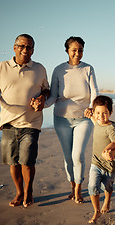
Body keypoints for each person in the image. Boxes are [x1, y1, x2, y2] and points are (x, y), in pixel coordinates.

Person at [0, 34, 50, 208]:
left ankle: (29, 191)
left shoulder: (40, 69)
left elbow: (46, 91)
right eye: (22, 46)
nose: (25, 50)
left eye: (29, 47)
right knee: (13, 162)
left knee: (27, 161)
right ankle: (19, 191)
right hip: (8, 123)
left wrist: (42, 98)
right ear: (14, 48)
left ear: (33, 50)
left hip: (31, 122)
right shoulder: (1, 67)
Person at [45, 36, 98, 203]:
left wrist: (92, 107)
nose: (77, 53)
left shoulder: (88, 69)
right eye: (74, 50)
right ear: (67, 50)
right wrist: (42, 105)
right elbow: (53, 96)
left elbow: (95, 92)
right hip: (61, 119)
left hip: (84, 119)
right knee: (68, 156)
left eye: (80, 50)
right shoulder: (59, 70)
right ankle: (72, 186)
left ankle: (78, 189)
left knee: (77, 155)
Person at [84, 95, 115, 223]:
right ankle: (96, 211)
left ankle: (107, 200)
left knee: (107, 187)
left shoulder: (111, 129)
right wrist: (89, 113)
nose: (101, 116)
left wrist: (112, 153)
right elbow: (94, 118)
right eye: (98, 113)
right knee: (92, 187)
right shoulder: (97, 121)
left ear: (110, 113)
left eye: (105, 113)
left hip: (110, 165)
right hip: (96, 162)